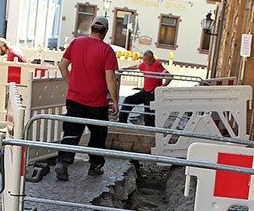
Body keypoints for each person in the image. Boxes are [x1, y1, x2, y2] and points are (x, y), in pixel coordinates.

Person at [55, 16, 119, 180]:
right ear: (105, 32)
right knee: (98, 135)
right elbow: (110, 78)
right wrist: (115, 101)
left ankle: (63, 162)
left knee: (71, 132)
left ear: (91, 29)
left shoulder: (76, 43)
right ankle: (95, 165)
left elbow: (62, 66)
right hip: (97, 103)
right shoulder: (107, 51)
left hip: (74, 99)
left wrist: (72, 83)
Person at [118, 50, 172, 126]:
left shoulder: (157, 65)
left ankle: (149, 128)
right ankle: (122, 121)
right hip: (144, 91)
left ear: (152, 58)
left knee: (149, 113)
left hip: (152, 93)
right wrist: (125, 68)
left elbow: (169, 76)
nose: (145, 62)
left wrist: (161, 87)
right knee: (128, 100)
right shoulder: (144, 64)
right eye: (144, 60)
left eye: (147, 60)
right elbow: (137, 66)